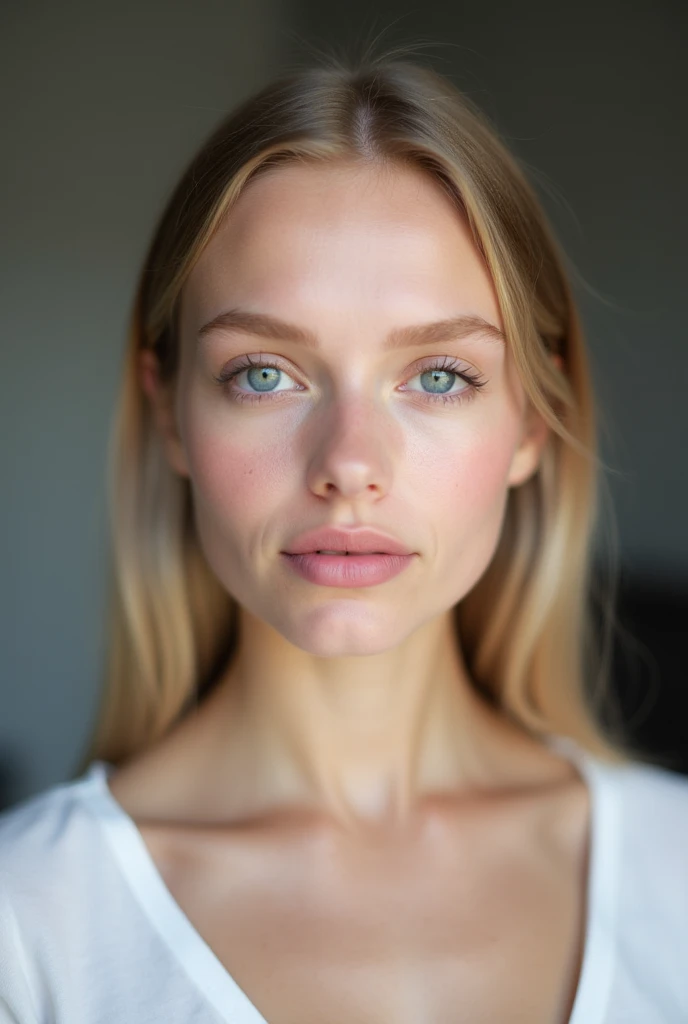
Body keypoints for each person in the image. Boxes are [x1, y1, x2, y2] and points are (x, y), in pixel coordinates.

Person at [1, 54, 686, 1024]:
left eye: (439, 375)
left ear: (534, 420)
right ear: (170, 418)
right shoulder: (28, 927)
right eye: (265, 373)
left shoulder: (678, 875)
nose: (350, 461)